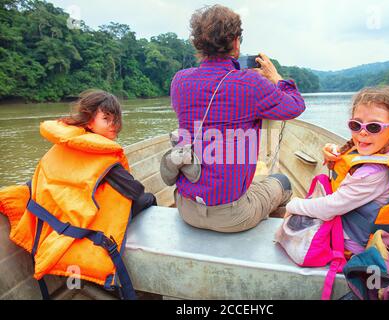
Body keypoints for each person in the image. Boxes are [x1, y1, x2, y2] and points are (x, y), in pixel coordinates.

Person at [0, 89, 156, 299]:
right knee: (148, 200)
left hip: (51, 232)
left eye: (116, 119)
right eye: (106, 119)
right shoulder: (105, 160)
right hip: (83, 236)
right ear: (89, 122)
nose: (114, 125)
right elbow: (136, 191)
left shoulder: (58, 147)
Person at [170, 4, 306, 233]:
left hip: (186, 209)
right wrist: (275, 78)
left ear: (198, 43)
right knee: (282, 182)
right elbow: (295, 106)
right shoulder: (250, 84)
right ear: (236, 42)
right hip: (232, 217)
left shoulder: (180, 81)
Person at [286, 86, 389, 255]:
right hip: (356, 228)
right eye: (355, 125)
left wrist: (293, 205)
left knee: (293, 214)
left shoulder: (372, 174)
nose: (362, 133)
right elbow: (351, 153)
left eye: (374, 127)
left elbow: (329, 208)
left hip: (350, 246)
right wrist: (332, 149)